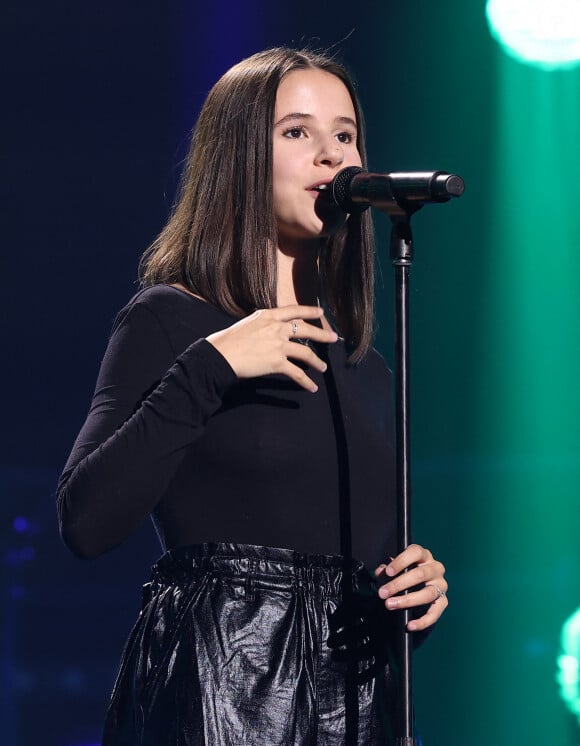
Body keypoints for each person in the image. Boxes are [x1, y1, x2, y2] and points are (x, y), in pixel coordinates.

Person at [57, 47, 448, 745]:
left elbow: (358, 567)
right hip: (219, 693)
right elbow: (86, 521)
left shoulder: (368, 370)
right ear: (238, 159)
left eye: (345, 134)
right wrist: (208, 368)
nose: (331, 155)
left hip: (355, 707)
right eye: (296, 132)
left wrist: (407, 597)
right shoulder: (170, 321)